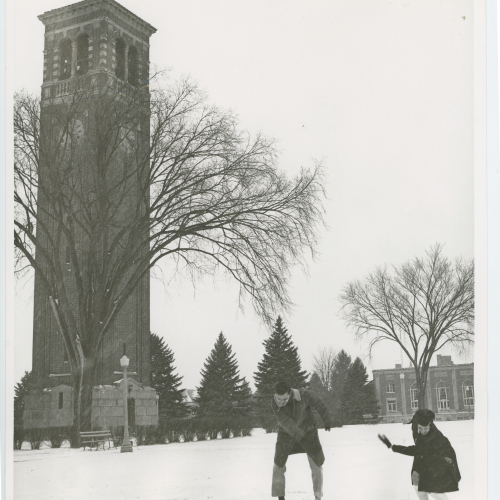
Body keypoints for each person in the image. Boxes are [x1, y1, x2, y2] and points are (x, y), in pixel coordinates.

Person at [378, 409, 461, 500]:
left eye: (426, 428)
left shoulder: (433, 436)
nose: (423, 431)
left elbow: (415, 450)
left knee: (431, 487)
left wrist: (392, 447)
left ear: (430, 425)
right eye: (420, 428)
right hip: (424, 454)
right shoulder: (416, 424)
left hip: (440, 456)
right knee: (415, 477)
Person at [271, 380, 333, 500]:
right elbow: (285, 421)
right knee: (278, 464)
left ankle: (318, 496)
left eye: (284, 399)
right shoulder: (274, 402)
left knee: (317, 463)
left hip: (308, 432)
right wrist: (298, 434)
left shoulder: (306, 395)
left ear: (290, 393)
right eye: (279, 399)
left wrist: (327, 419)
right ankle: (280, 497)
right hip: (286, 434)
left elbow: (319, 404)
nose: (281, 402)